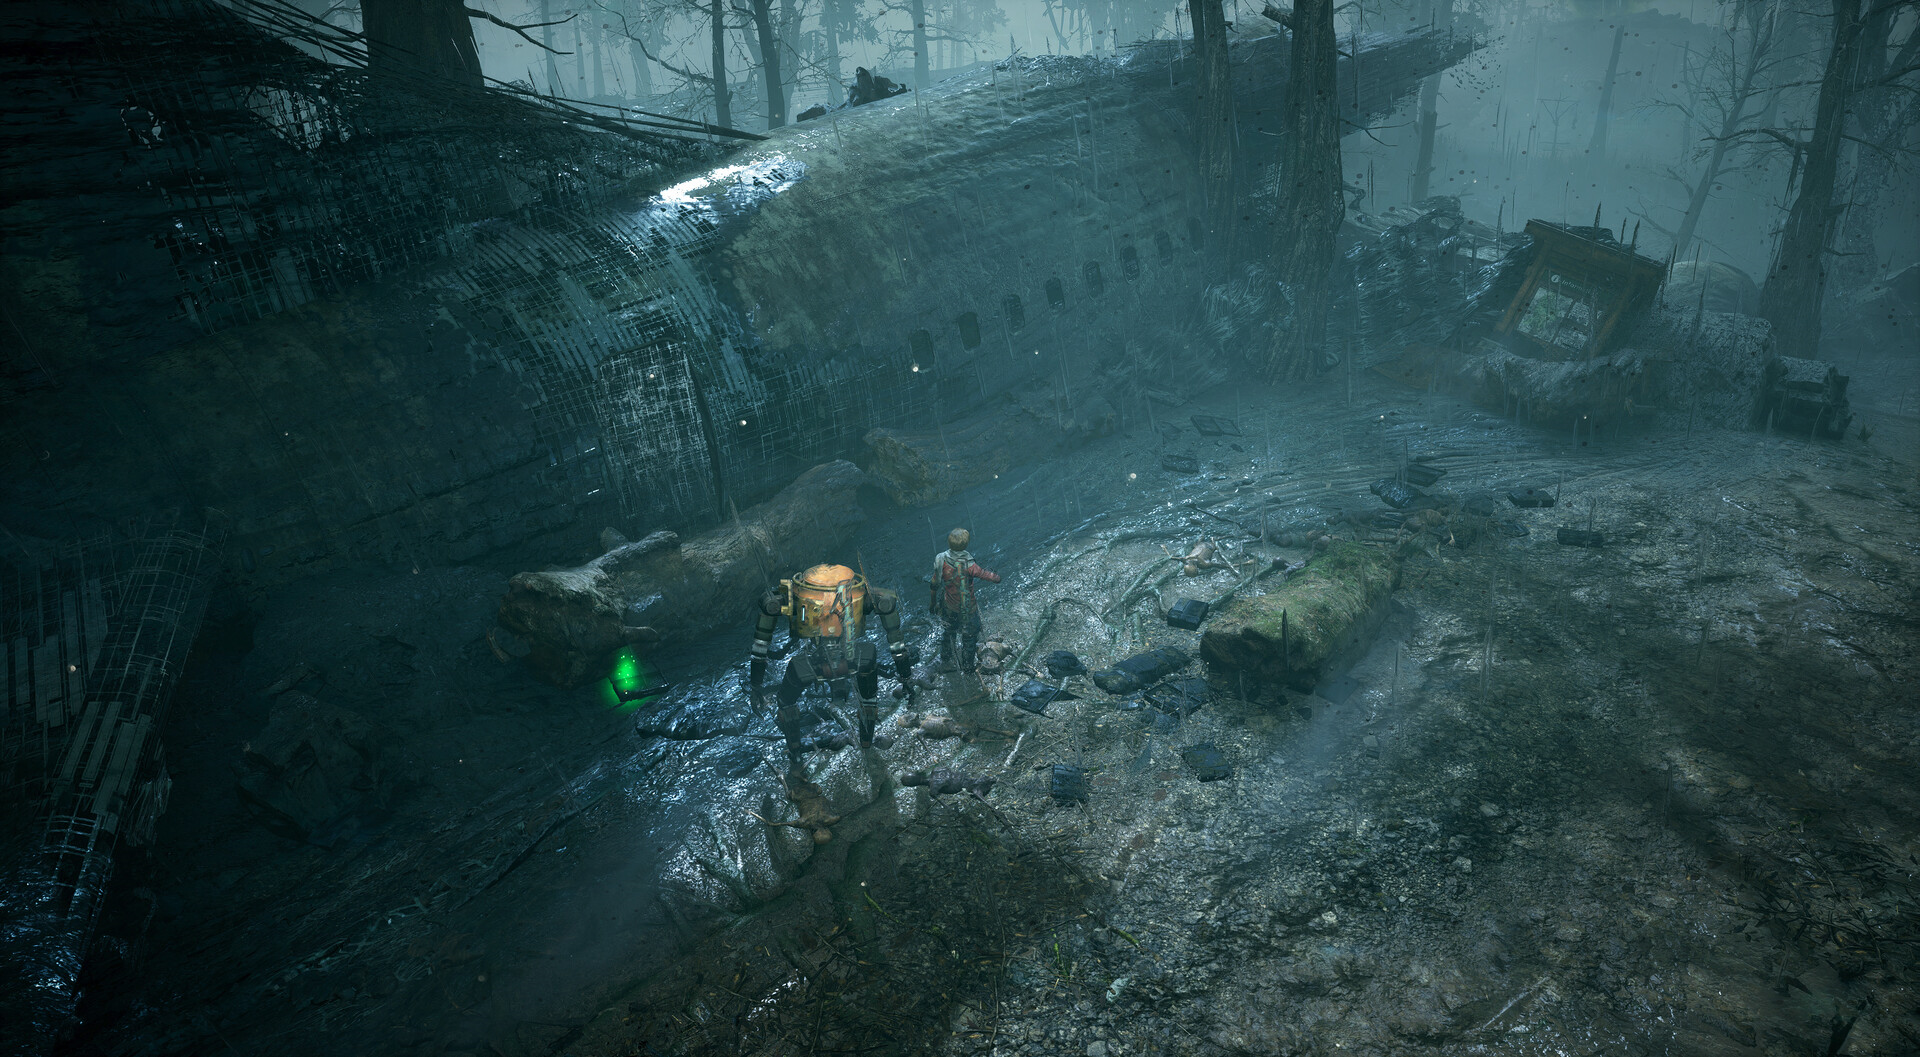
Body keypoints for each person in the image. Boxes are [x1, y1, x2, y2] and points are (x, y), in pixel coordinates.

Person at [749, 563, 912, 768]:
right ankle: (866, 742)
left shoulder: (795, 598)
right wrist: (905, 675)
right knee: (868, 697)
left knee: (785, 702)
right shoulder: (865, 597)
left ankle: (796, 755)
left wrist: (755, 684)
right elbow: (895, 638)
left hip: (812, 664)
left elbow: (761, 642)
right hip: (856, 660)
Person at [929, 529, 999, 673]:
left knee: (948, 632)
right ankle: (967, 667)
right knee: (969, 637)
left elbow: (934, 584)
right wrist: (996, 578)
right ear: (966, 545)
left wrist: (933, 603)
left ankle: (945, 657)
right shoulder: (970, 565)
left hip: (949, 606)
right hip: (968, 608)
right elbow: (985, 575)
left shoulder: (941, 559)